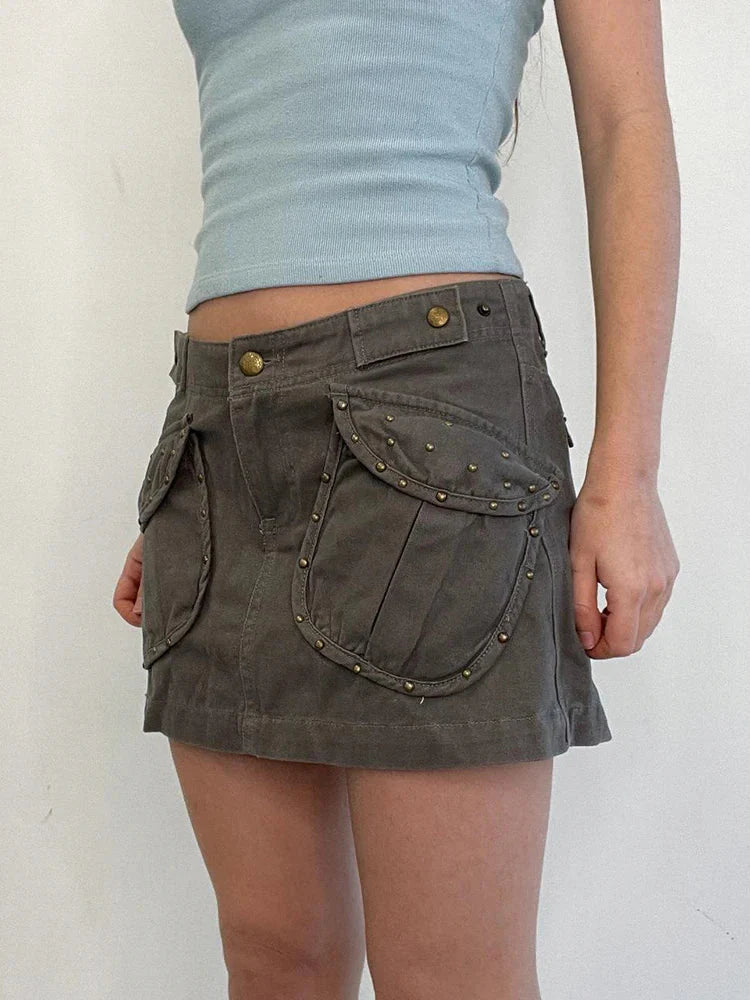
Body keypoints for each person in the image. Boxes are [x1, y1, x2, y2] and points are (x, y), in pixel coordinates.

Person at [112, 0, 680, 996]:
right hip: (217, 431)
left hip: (435, 415)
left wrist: (626, 478)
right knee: (275, 959)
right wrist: (221, 451)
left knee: (448, 976)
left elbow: (624, 125)